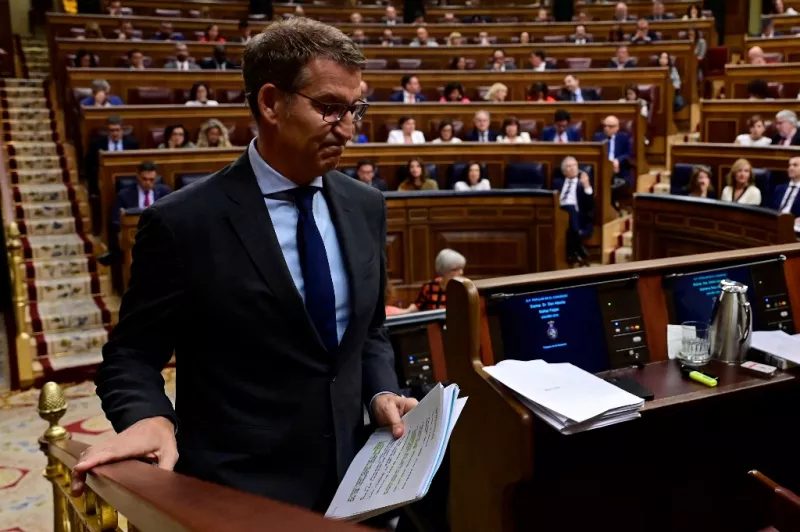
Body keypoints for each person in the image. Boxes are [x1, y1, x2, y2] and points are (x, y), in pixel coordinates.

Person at [78, 17, 416, 514]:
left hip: (356, 479)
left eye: (355, 109)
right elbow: (130, 355)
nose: (347, 128)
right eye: (329, 108)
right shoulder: (183, 222)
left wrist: (380, 391)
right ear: (271, 103)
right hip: (236, 493)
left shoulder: (366, 204)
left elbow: (369, 333)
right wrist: (151, 417)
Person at [85, 115, 139, 194]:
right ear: (107, 131)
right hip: (104, 181)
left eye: (117, 130)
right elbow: (89, 166)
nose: (115, 133)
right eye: (112, 130)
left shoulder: (132, 143)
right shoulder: (97, 144)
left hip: (127, 180)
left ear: (122, 130)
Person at [112, 160, 172, 230]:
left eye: (151, 180)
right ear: (138, 176)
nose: (148, 183)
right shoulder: (124, 195)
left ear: (156, 178)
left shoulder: (165, 193)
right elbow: (115, 221)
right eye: (144, 179)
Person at [557, 156, 594, 266]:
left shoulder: (582, 183)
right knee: (568, 209)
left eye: (575, 165)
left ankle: (572, 253)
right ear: (564, 171)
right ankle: (579, 249)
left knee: (571, 208)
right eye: (569, 166)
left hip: (578, 215)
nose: (573, 168)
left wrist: (587, 186)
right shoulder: (557, 183)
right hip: (559, 213)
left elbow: (590, 204)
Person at [594, 115, 632, 186]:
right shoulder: (598, 137)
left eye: (610, 126)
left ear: (617, 127)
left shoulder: (623, 137)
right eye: (605, 126)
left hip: (619, 171)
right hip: (603, 170)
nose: (606, 128)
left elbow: (629, 154)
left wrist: (618, 160)